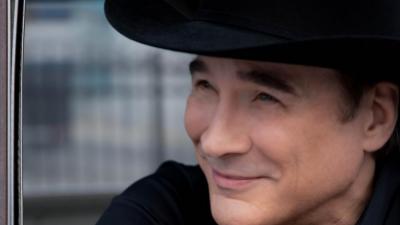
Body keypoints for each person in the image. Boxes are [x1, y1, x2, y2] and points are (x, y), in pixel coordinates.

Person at [96, 0, 400, 225]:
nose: (215, 142)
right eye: (205, 85)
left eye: (265, 97)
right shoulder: (164, 210)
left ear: (375, 118)